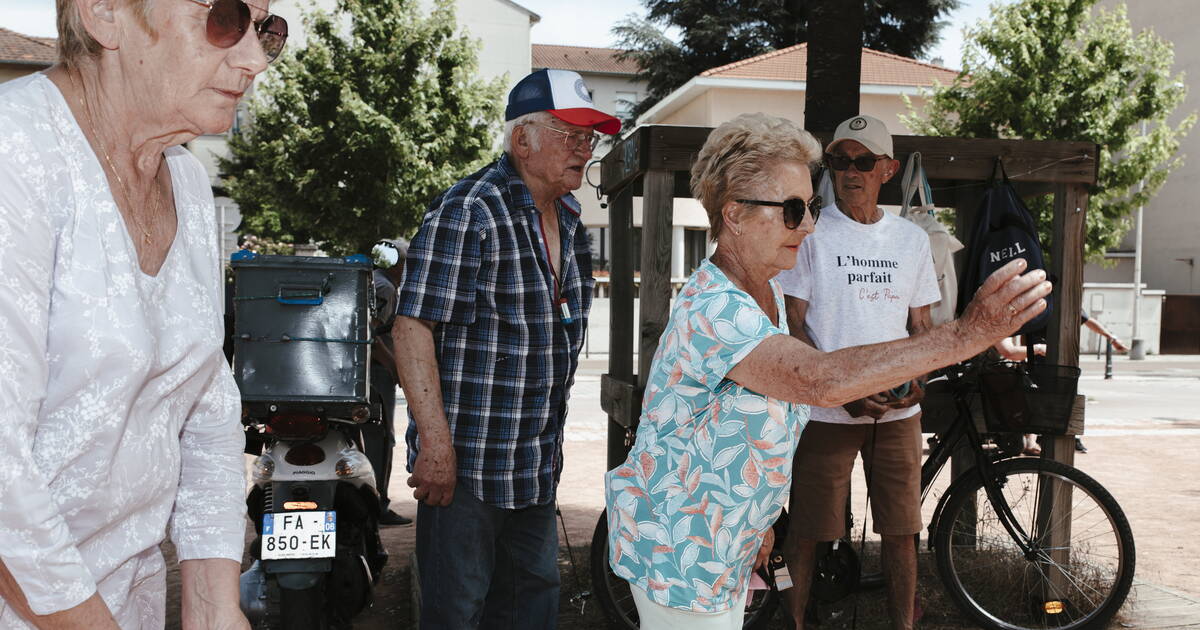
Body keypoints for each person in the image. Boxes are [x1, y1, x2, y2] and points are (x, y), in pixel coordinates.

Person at [604, 112, 1053, 629]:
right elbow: (816, 380)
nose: (812, 224)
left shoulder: (766, 292)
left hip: (719, 539)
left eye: (811, 206)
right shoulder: (715, 310)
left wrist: (761, 522)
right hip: (681, 547)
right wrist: (965, 336)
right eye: (794, 209)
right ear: (734, 215)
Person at [0, 0, 287, 627]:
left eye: (267, 30)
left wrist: (214, 606)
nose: (254, 58)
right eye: (227, 18)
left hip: (124, 601)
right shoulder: (13, 155)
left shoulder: (182, 177)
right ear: (104, 13)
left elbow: (205, 407)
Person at [392, 68, 621, 629]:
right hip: (465, 470)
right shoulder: (470, 208)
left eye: (590, 137)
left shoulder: (569, 220)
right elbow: (412, 327)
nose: (584, 149)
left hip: (534, 468)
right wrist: (436, 448)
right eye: (570, 134)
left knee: (530, 611)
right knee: (456, 614)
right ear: (524, 140)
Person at [773, 114, 938, 630]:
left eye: (863, 161)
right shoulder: (812, 234)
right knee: (807, 530)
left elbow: (923, 328)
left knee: (902, 531)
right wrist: (834, 387)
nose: (850, 171)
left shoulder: (911, 240)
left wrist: (917, 382)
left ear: (886, 170)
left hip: (895, 414)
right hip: (826, 411)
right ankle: (795, 624)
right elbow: (792, 323)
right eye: (840, 160)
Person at [994, 308, 1126, 454]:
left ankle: (1053, 439)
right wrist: (1034, 350)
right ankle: (1038, 440)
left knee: (1046, 399)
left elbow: (1087, 320)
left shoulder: (1046, 303)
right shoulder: (1046, 301)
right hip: (1039, 359)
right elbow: (1010, 349)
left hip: (1043, 359)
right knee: (1047, 399)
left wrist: (1111, 338)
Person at [364, 239, 413, 526]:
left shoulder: (377, 282)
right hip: (377, 372)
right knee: (381, 438)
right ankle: (378, 506)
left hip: (372, 371)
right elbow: (372, 335)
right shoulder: (384, 287)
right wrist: (394, 366)